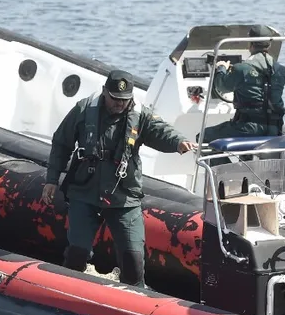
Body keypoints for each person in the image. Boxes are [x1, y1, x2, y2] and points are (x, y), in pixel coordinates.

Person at [41, 69, 197, 288]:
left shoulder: (139, 114)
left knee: (133, 258)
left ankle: (134, 299)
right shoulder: (84, 110)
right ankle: (69, 291)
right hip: (85, 190)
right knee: (77, 253)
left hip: (123, 195)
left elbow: (161, 132)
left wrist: (179, 142)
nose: (119, 104)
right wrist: (52, 179)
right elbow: (61, 143)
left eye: (124, 100)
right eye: (115, 99)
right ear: (105, 92)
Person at [199, 25, 285, 143]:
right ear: (270, 44)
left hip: (248, 128)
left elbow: (221, 86)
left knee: (203, 136)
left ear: (250, 44)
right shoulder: (280, 70)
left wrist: (221, 68)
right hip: (275, 128)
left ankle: (227, 162)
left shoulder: (242, 68)